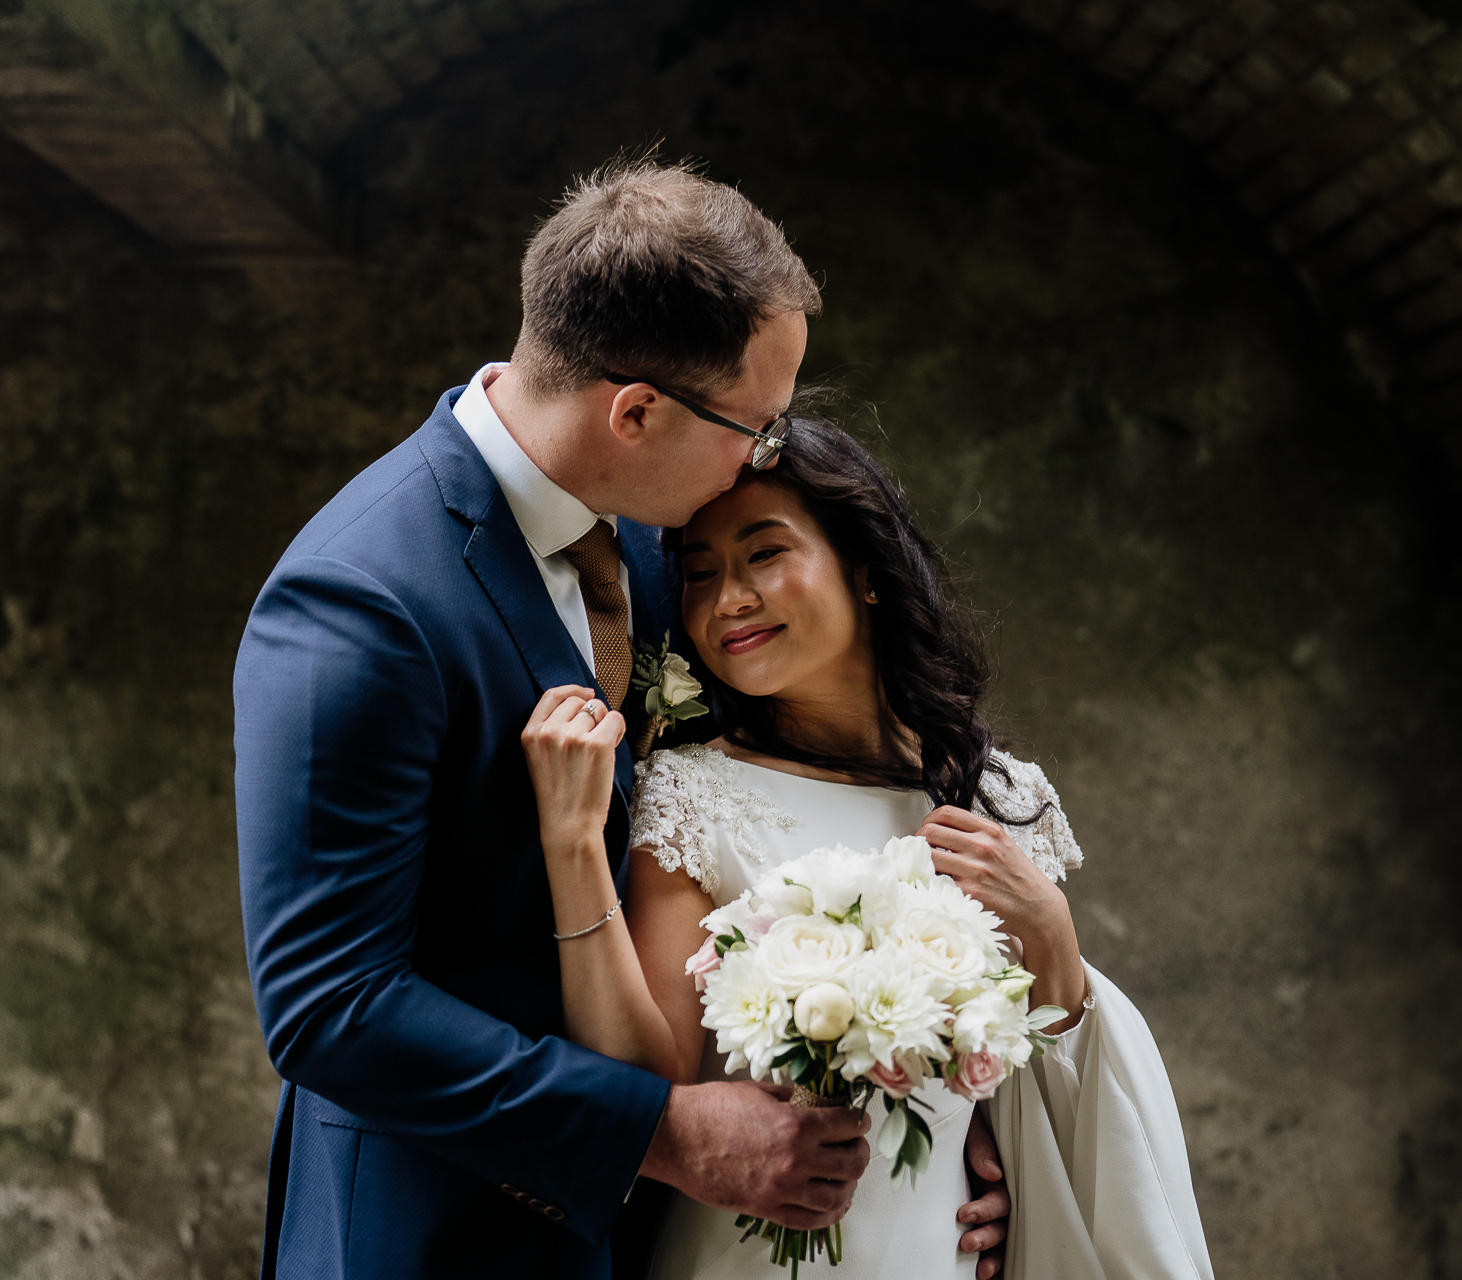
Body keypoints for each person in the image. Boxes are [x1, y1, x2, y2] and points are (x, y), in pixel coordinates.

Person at [234, 158, 1013, 1279]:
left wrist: (932, 1114)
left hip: (677, 1243)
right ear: (638, 411)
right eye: (756, 421)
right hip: (440, 1234)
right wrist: (669, 1133)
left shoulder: (668, 545)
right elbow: (328, 1004)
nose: (766, 455)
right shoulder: (359, 600)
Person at [520, 418, 1217, 1279]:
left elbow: (1042, 1089)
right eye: (698, 575)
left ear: (867, 572)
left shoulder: (1007, 800)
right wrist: (572, 843)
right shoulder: (693, 796)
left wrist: (1053, 938)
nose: (726, 598)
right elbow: (642, 1080)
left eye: (764, 554)